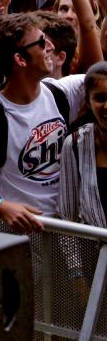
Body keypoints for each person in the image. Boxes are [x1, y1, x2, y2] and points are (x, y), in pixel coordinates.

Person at [0, 12, 85, 232]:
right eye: (41, 42)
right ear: (20, 59)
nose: (50, 46)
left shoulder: (60, 92)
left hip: (67, 231)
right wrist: (0, 207)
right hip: (18, 233)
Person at [58, 62, 107, 226]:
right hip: (92, 249)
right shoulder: (75, 144)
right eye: (99, 98)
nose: (106, 106)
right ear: (88, 101)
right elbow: (68, 216)